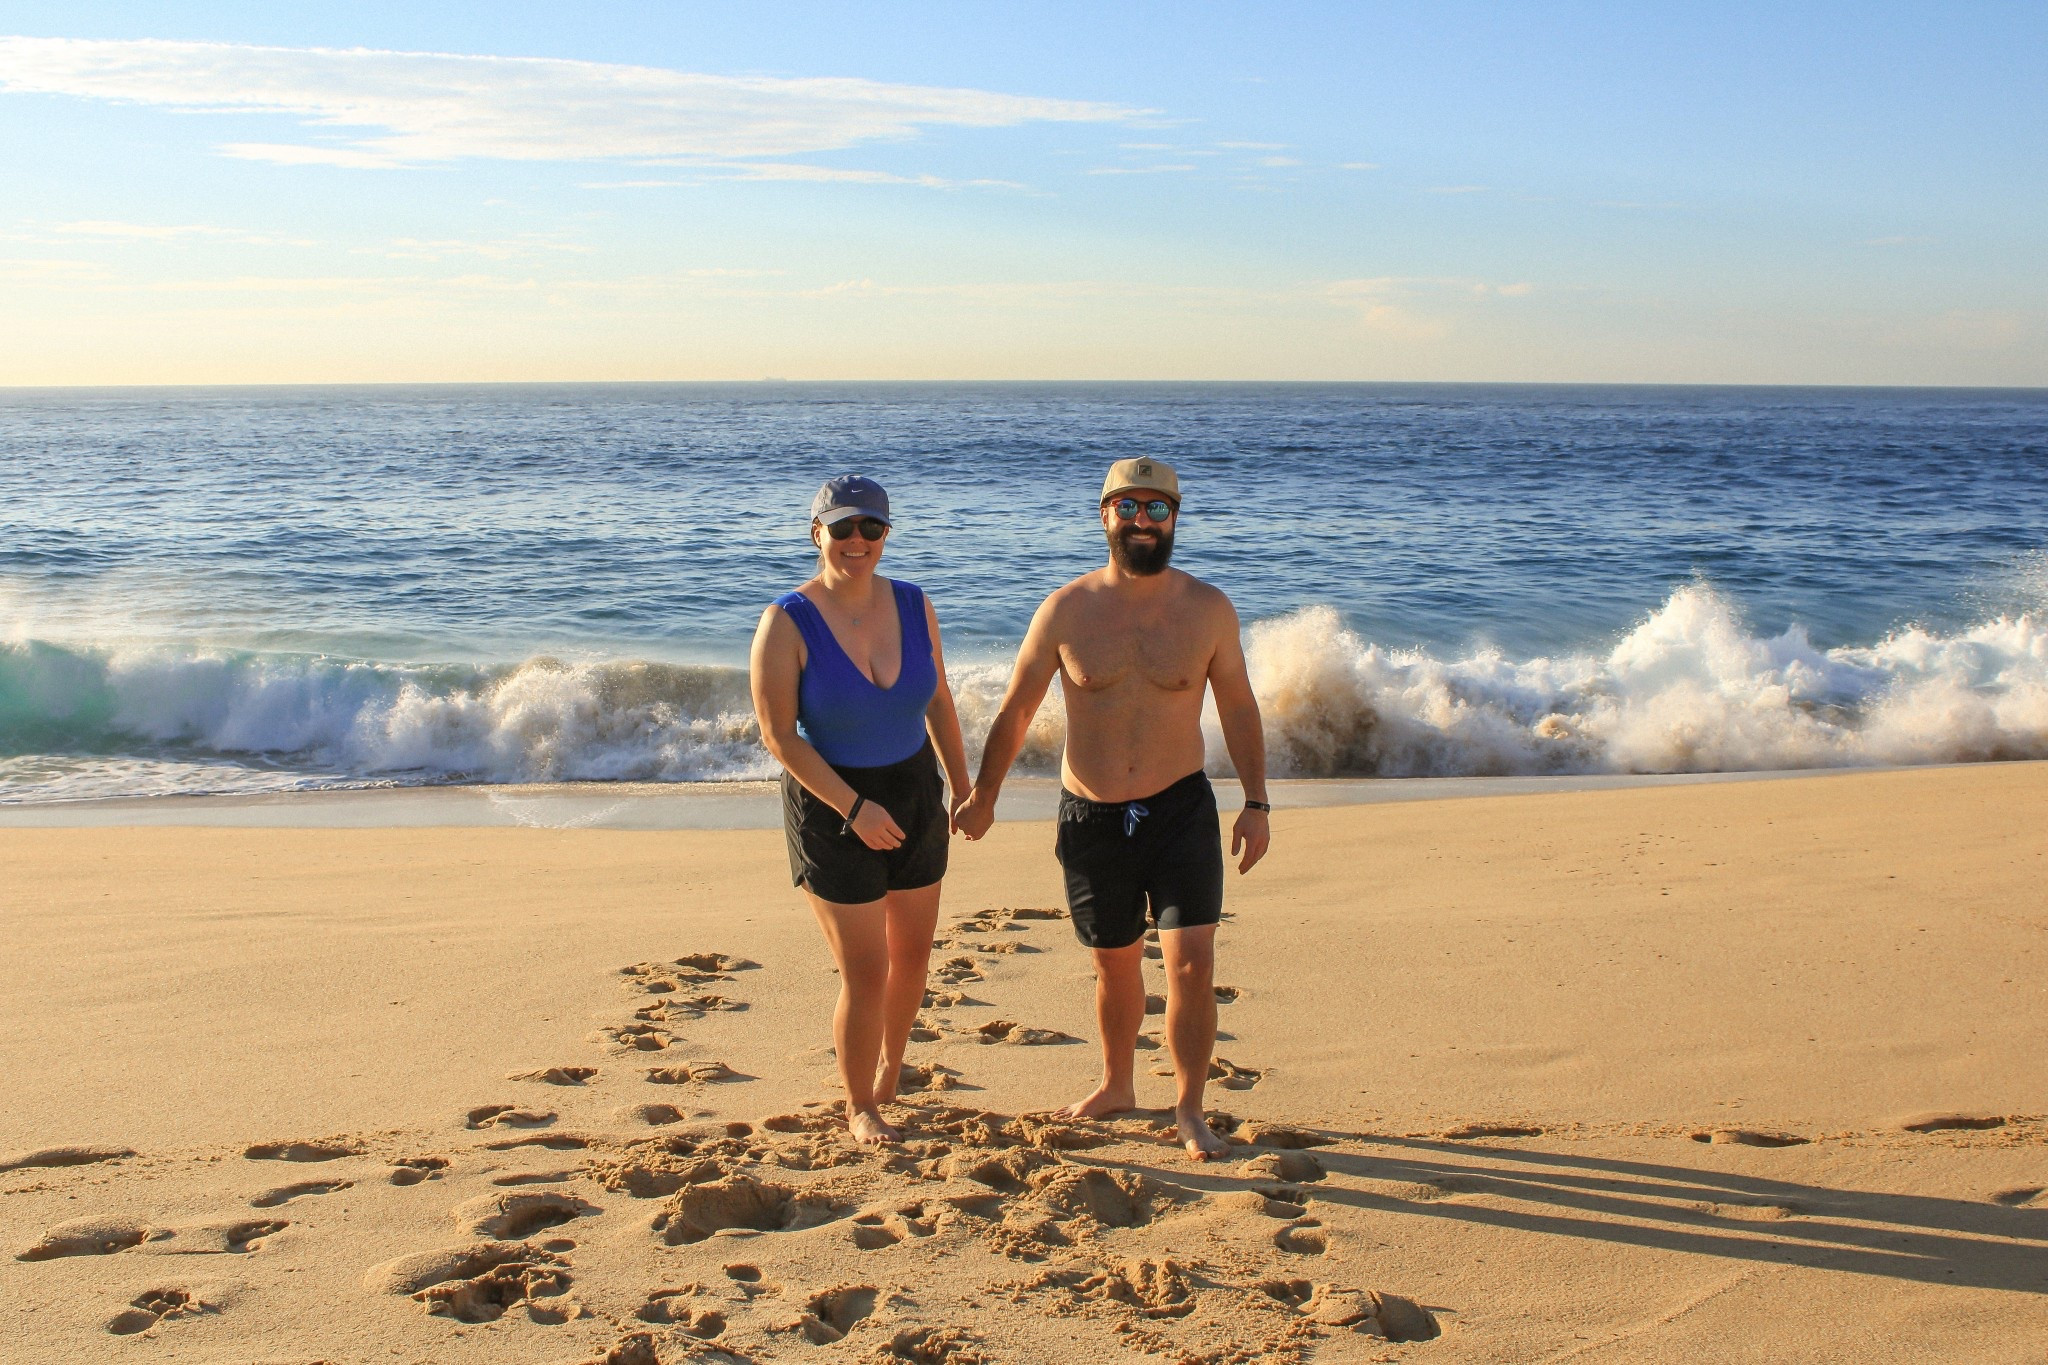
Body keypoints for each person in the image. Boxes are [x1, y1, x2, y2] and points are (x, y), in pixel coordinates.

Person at [955, 457, 1270, 1160]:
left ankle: (1190, 1106)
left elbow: (1240, 707)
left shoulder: (1208, 609)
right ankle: (1117, 1083)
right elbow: (1016, 708)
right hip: (1093, 816)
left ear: (1175, 520)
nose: (1142, 522)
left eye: (1157, 509)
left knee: (1191, 962)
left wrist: (1256, 802)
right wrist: (984, 793)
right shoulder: (1066, 609)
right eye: (1128, 507)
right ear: (1103, 516)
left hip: (1180, 810)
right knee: (1115, 965)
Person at [750, 475, 971, 1146]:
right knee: (866, 969)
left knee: (911, 957)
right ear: (816, 532)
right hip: (831, 800)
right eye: (842, 528)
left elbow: (936, 700)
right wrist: (854, 808)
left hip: (913, 788)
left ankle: (890, 1071)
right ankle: (859, 1105)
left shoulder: (913, 603)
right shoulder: (786, 620)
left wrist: (964, 784)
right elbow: (780, 736)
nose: (857, 541)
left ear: (885, 535)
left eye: (871, 529)